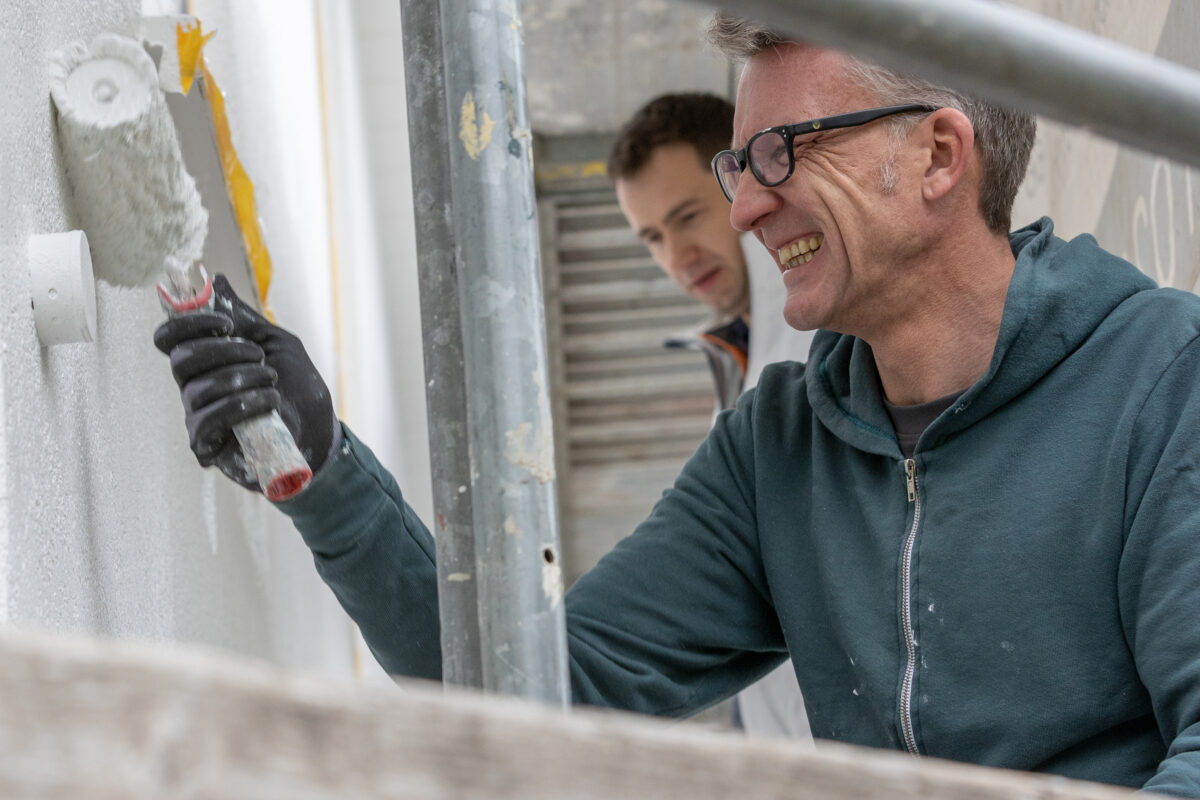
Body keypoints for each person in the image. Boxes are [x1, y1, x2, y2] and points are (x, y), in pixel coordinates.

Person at [154, 13, 1200, 795]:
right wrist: (328, 472)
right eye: (738, 165)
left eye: (783, 152)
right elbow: (533, 690)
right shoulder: (777, 450)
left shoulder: (1164, 377)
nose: (746, 206)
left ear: (935, 155)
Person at [606, 92, 813, 740]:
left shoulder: (820, 335)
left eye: (688, 216)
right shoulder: (737, 355)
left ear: (738, 179)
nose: (676, 255)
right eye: (652, 237)